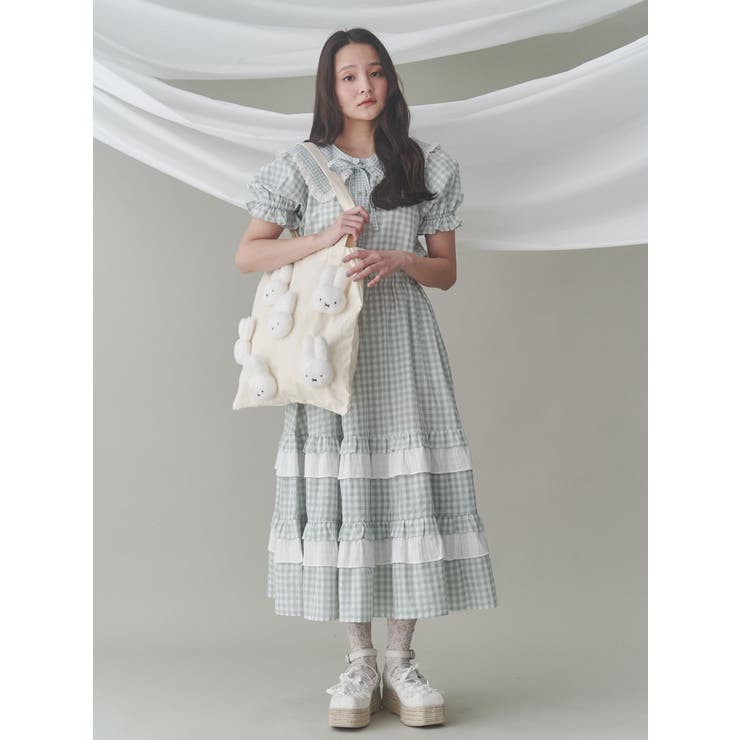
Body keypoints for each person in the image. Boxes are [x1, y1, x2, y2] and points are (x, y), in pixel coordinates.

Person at [235, 28, 498, 729]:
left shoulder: (427, 165)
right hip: (328, 349)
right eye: (349, 76)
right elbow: (249, 254)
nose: (364, 86)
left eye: (375, 72)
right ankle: (359, 663)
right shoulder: (301, 167)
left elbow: (445, 271)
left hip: (403, 342)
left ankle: (402, 661)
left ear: (390, 81)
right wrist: (324, 237)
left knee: (404, 491)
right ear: (330, 88)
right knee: (346, 494)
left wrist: (400, 259)